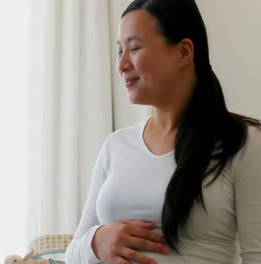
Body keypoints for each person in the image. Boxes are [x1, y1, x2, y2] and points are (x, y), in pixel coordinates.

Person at [65, 0, 261, 263]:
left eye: (134, 48)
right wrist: (96, 241)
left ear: (183, 52)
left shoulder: (243, 143)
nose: (121, 64)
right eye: (119, 51)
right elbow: (72, 252)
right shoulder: (115, 145)